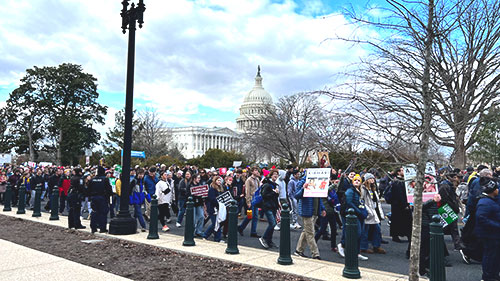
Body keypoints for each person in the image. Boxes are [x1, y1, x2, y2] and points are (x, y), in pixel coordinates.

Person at [294, 174, 326, 259]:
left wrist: (322, 208)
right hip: (307, 211)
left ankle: (299, 250)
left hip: (315, 212)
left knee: (306, 232)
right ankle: (315, 253)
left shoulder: (318, 181)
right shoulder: (302, 182)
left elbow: (319, 197)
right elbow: (296, 195)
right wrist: (303, 188)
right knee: (311, 233)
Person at [473, 180, 500, 281]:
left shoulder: (490, 200)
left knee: (494, 256)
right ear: (492, 191)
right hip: (489, 235)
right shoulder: (485, 203)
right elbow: (481, 218)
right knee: (490, 256)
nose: (498, 190)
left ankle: (493, 275)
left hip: (493, 234)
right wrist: (497, 225)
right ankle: (488, 276)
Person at [338, 174, 368, 261]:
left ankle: (357, 252)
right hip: (352, 214)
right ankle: (343, 245)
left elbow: (361, 203)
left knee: (360, 234)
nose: (357, 182)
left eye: (358, 180)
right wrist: (359, 212)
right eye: (355, 180)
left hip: (359, 214)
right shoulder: (350, 191)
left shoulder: (359, 191)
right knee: (356, 233)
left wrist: (364, 212)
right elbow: (349, 202)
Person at [360, 173, 386, 254]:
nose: (373, 180)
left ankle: (376, 246)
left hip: (374, 211)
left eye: (373, 179)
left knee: (377, 229)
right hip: (368, 212)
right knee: (365, 230)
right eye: (371, 179)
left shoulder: (373, 188)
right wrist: (367, 210)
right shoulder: (363, 188)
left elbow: (376, 201)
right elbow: (362, 200)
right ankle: (363, 247)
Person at [438, 170, 463, 250]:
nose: (457, 179)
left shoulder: (447, 186)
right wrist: (454, 207)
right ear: (451, 178)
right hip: (447, 209)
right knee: (453, 228)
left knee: (452, 228)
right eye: (455, 177)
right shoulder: (445, 186)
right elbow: (445, 199)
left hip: (449, 208)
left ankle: (457, 244)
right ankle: (457, 245)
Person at [315, 181, 340, 252]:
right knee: (323, 228)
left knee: (334, 229)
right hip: (325, 211)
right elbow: (326, 190)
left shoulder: (331, 191)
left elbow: (336, 189)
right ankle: (314, 242)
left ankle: (333, 246)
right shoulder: (322, 190)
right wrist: (334, 184)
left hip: (332, 211)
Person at [259, 169, 280, 250]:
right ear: (271, 175)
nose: (275, 176)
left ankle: (269, 240)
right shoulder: (267, 184)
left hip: (273, 206)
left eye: (277, 174)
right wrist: (274, 192)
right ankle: (264, 237)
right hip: (267, 206)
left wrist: (275, 193)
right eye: (274, 174)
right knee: (272, 224)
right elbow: (264, 195)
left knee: (272, 224)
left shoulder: (275, 184)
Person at [389, 168, 412, 243]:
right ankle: (395, 236)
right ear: (398, 172)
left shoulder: (403, 181)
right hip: (398, 205)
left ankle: (408, 235)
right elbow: (399, 195)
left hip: (402, 203)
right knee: (397, 220)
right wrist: (405, 204)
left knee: (406, 221)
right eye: (402, 170)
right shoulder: (397, 181)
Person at [238, 167, 261, 238]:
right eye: (255, 170)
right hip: (251, 199)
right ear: (252, 172)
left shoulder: (257, 179)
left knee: (255, 216)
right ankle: (241, 227)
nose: (257, 172)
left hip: (256, 199)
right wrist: (248, 201)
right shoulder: (249, 180)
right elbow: (247, 191)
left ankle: (253, 232)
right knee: (250, 216)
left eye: (257, 170)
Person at [88, 166, 113, 233]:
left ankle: (93, 228)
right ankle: (102, 228)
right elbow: (109, 190)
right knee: (103, 213)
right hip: (102, 198)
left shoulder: (92, 180)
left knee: (94, 212)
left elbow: (89, 189)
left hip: (94, 197)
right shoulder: (105, 179)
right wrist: (109, 196)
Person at [203, 176, 224, 242]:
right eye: (218, 180)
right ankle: (205, 235)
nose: (219, 182)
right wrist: (219, 204)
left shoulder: (220, 189)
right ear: (215, 181)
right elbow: (212, 199)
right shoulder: (212, 189)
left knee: (218, 223)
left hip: (218, 208)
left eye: (220, 181)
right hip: (212, 208)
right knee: (215, 223)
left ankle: (217, 238)